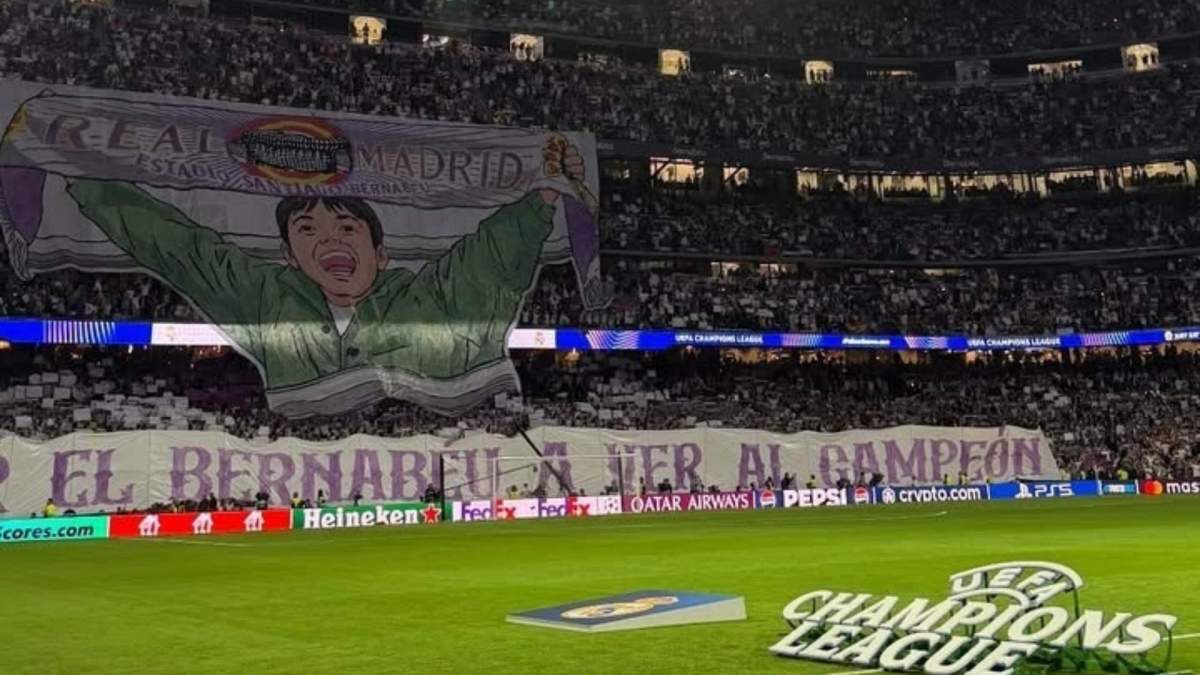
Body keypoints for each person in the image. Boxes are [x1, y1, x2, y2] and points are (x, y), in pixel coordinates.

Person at [63, 138, 588, 417]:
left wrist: (545, 192)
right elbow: (181, 247)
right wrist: (78, 174)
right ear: (290, 256)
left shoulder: (430, 298)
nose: (329, 240)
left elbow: (490, 255)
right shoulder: (266, 296)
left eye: (346, 227)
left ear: (381, 253)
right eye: (307, 229)